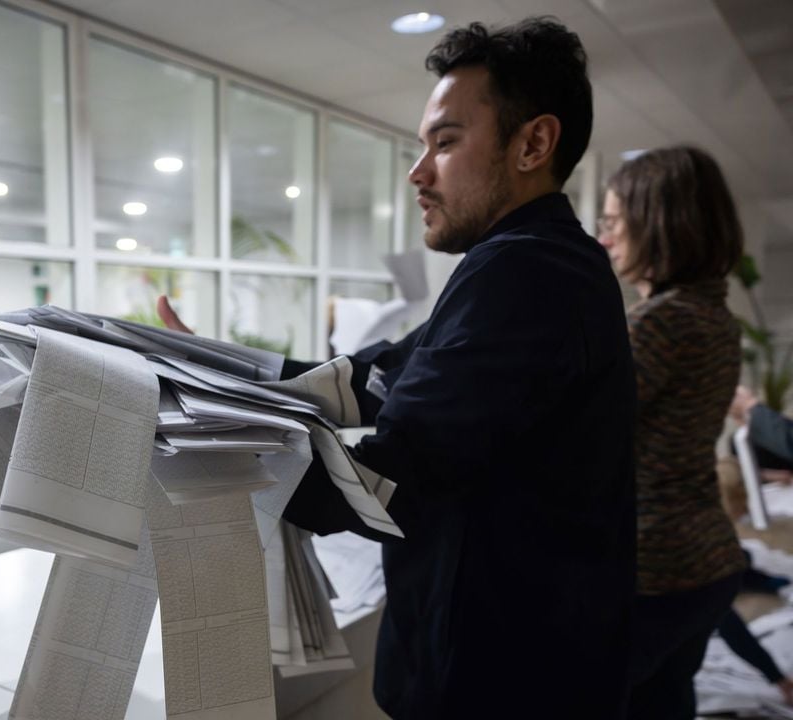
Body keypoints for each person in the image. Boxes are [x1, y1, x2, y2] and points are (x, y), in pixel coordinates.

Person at [161, 17, 637, 719]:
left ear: (533, 144)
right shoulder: (538, 261)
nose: (418, 172)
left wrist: (194, 437)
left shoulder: (528, 271)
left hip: (504, 685)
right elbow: (377, 376)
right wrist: (215, 371)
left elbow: (393, 476)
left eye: (445, 142)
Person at [596, 145, 747, 718]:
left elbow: (573, 431)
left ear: (658, 224)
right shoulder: (715, 315)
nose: (605, 237)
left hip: (655, 569)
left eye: (614, 222)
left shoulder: (660, 321)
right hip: (707, 561)